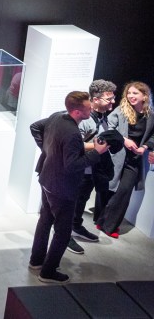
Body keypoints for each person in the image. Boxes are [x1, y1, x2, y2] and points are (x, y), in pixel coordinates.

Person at [29, 91, 109, 284]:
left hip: (47, 179)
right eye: (88, 107)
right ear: (77, 112)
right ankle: (48, 272)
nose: (91, 108)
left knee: (45, 221)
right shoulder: (73, 133)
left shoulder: (57, 116)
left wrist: (49, 152)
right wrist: (97, 152)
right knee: (63, 232)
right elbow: (73, 165)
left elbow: (35, 127)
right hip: (62, 188)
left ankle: (36, 261)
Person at [97, 81, 154, 238]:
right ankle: (102, 220)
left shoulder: (150, 115)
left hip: (135, 158)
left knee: (125, 191)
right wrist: (124, 140)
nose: (130, 96)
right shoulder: (121, 110)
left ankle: (108, 225)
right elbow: (109, 129)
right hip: (116, 154)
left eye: (135, 93)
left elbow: (153, 135)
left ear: (144, 96)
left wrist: (145, 147)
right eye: (129, 93)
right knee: (109, 187)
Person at [67, 80, 117, 254]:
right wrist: (99, 146)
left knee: (82, 200)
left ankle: (76, 226)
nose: (112, 102)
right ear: (95, 99)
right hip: (80, 169)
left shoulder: (103, 118)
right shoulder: (85, 120)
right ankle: (65, 235)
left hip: (91, 169)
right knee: (73, 202)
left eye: (113, 98)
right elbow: (74, 144)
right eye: (108, 99)